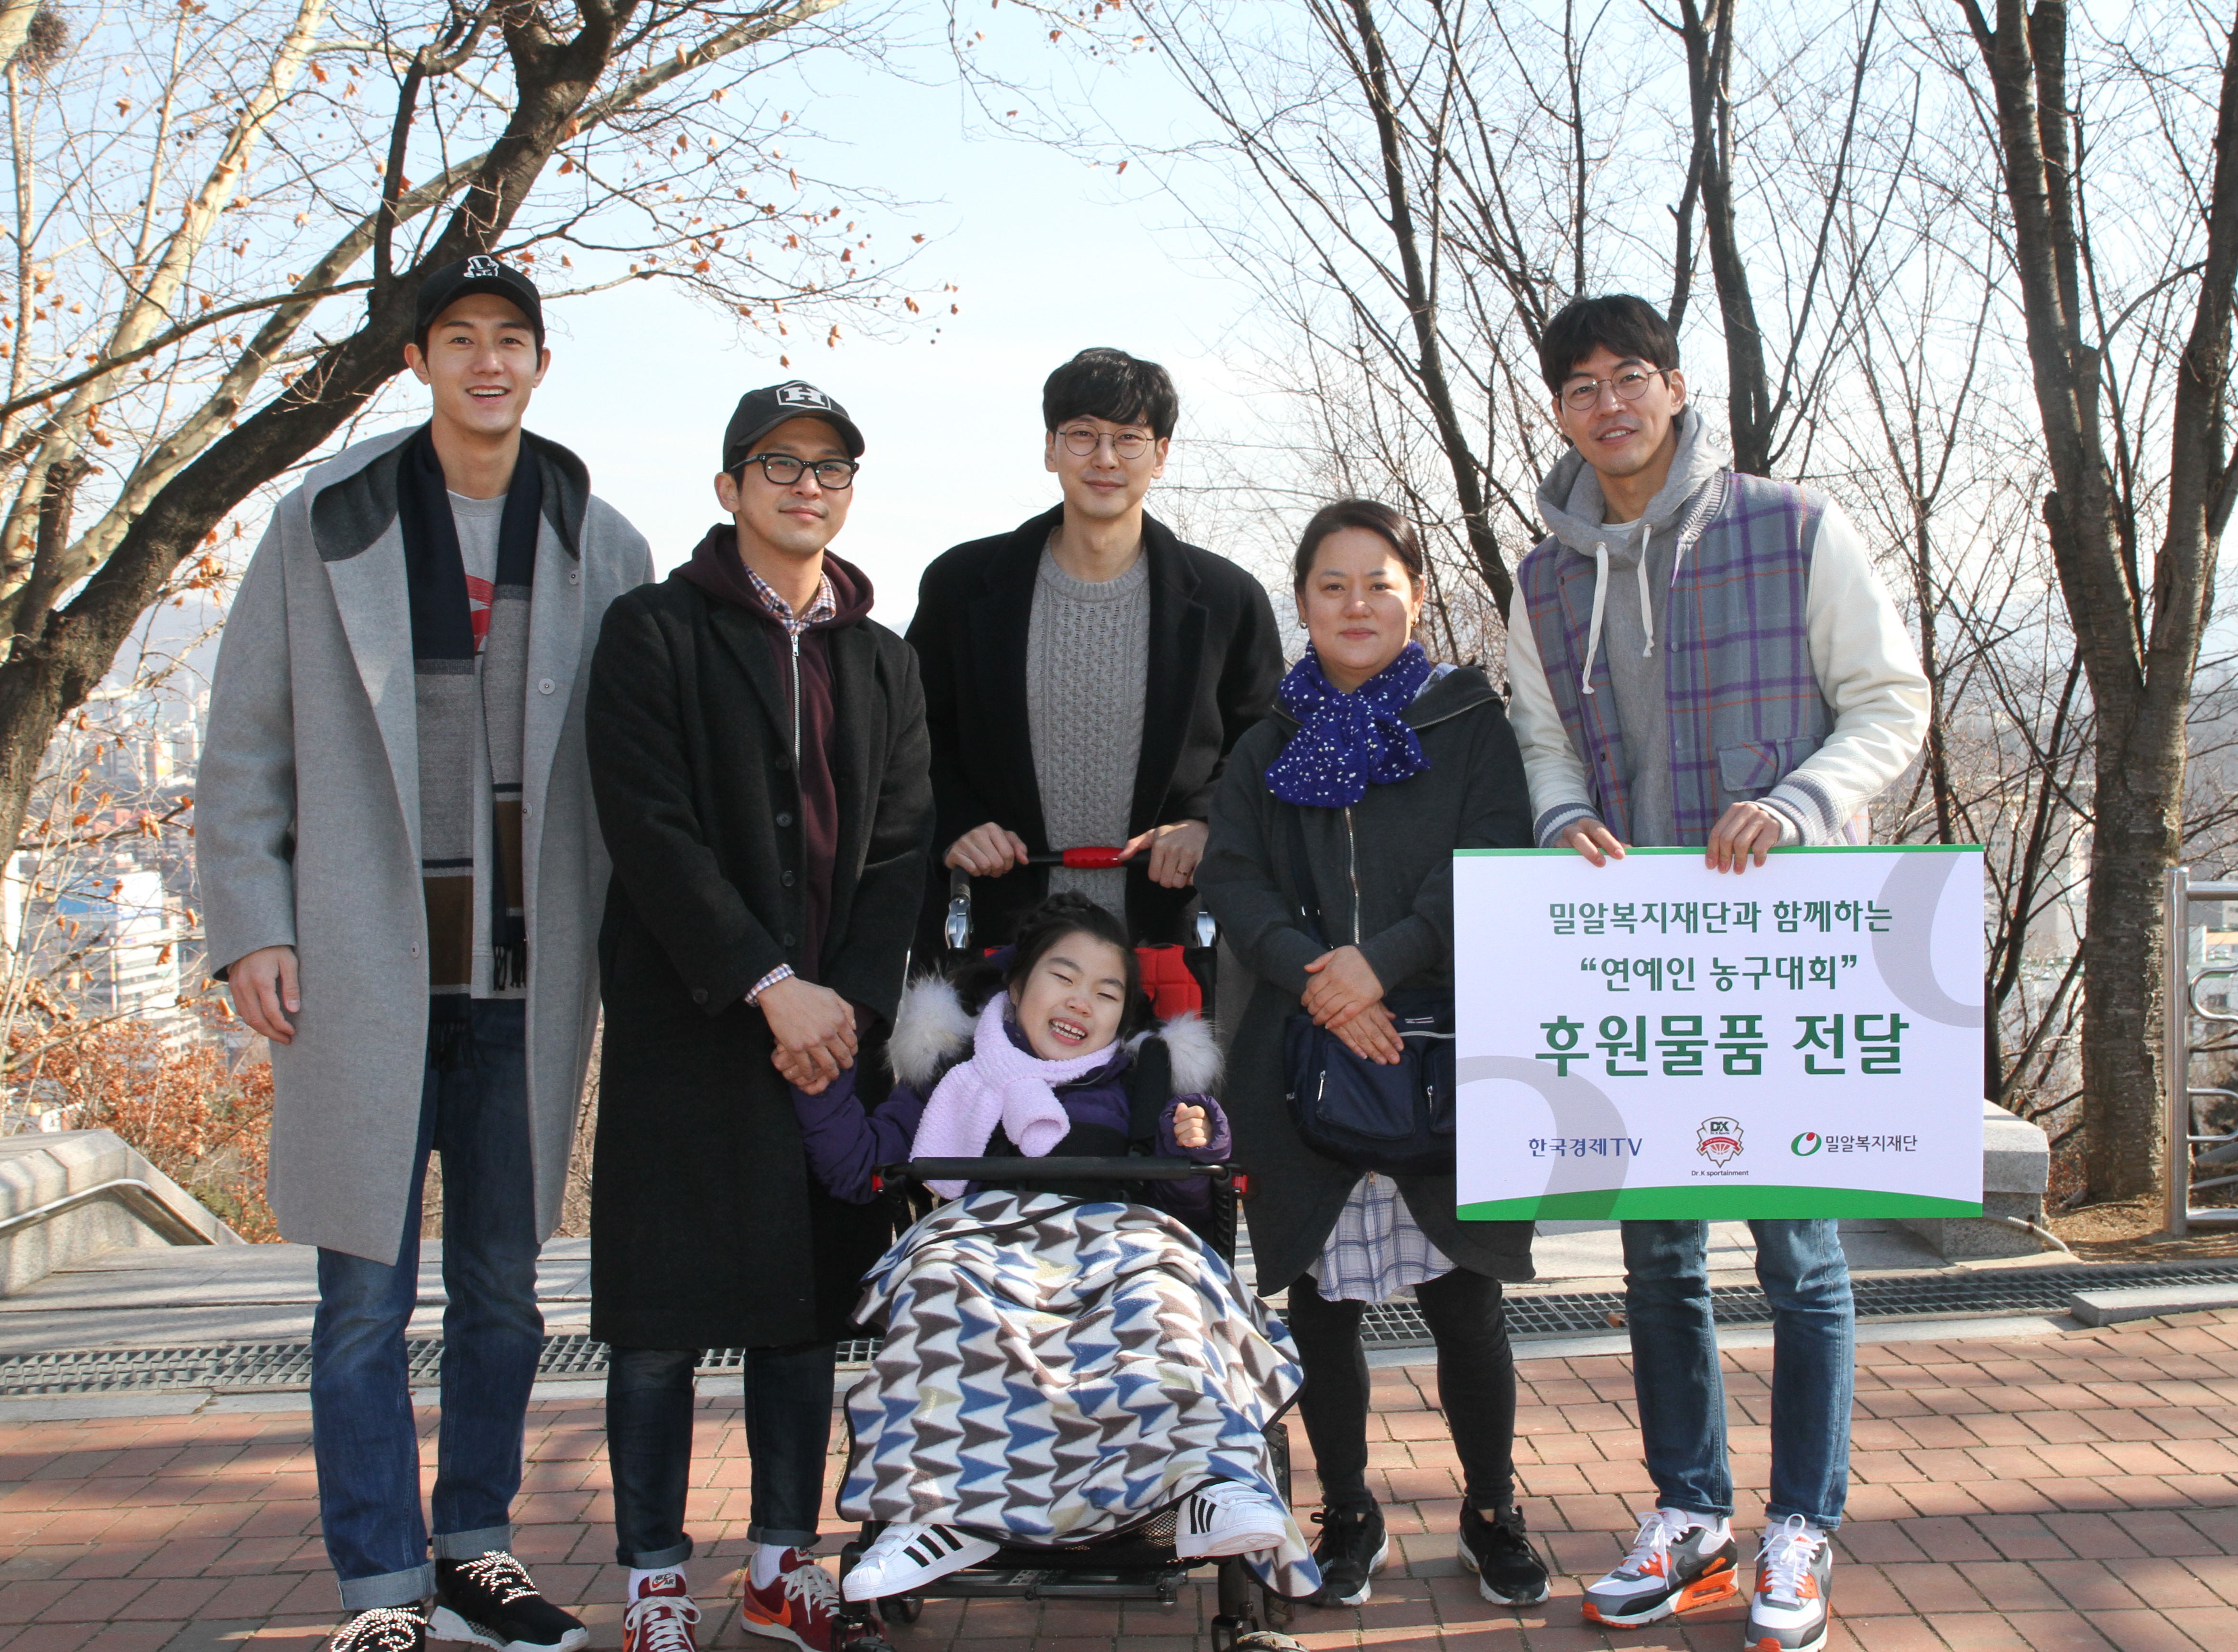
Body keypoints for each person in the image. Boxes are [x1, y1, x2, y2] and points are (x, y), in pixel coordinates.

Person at [199, 258, 652, 1652]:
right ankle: (380, 1586)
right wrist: (254, 927)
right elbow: (246, 744)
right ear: (418, 362)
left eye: (511, 340)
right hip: (363, 973)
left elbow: (636, 775)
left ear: (540, 364)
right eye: (459, 339)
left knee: (506, 1293)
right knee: (361, 1299)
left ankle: (475, 1550)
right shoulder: (323, 522)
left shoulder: (599, 540)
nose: (487, 363)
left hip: (524, 981)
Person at [1503, 293, 1930, 1652]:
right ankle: (1690, 1514)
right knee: (1658, 1257)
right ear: (1560, 411)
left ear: (1676, 388)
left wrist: (1801, 803)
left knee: (1800, 1253)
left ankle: (1801, 1524)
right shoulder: (1545, 576)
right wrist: (1559, 817)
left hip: (1780, 946)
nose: (1610, 403)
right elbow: (1541, 737)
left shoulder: (1792, 527)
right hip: (1633, 956)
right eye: (1582, 385)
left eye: (1631, 375)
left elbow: (1890, 702)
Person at [582, 381, 933, 1652]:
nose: (806, 486)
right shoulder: (654, 631)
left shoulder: (882, 658)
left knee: (804, 1313)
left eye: (830, 467)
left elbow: (902, 845)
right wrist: (767, 983)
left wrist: (847, 1004)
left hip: (829, 1043)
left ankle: (786, 1565)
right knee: (658, 1323)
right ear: (730, 487)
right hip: (691, 1025)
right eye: (779, 464)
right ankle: (654, 1582)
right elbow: (650, 826)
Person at [1199, 499, 1548, 1612]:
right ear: (1302, 601)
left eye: (1379, 582)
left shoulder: (1468, 721)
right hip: (1304, 1052)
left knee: (1467, 1299)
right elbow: (1232, 874)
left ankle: (1491, 1507)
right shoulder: (1267, 739)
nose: (1356, 604)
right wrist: (1321, 976)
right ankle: (1347, 1509)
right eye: (1332, 584)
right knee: (1320, 1303)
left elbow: (1491, 857)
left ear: (1417, 595)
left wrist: (1382, 964)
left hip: (1448, 1044)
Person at [786, 893, 1320, 1606]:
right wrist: (821, 1091)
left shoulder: (1144, 1080)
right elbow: (862, 1168)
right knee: (939, 1285)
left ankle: (1210, 1483)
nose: (1081, 1002)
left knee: (1163, 1295)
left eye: (1106, 992)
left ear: (1123, 1016)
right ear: (1015, 987)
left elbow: (1192, 1211)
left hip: (1117, 1247)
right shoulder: (954, 1075)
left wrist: (1194, 1151)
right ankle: (932, 1511)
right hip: (984, 1248)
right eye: (1063, 977)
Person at [907, 346, 1282, 954]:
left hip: (1171, 938)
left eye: (1129, 438)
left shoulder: (1227, 599)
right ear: (1050, 448)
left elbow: (1264, 742)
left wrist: (1207, 822)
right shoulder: (962, 585)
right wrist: (958, 823)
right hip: (996, 931)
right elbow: (915, 734)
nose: (1105, 458)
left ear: (1160, 455)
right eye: (1082, 435)